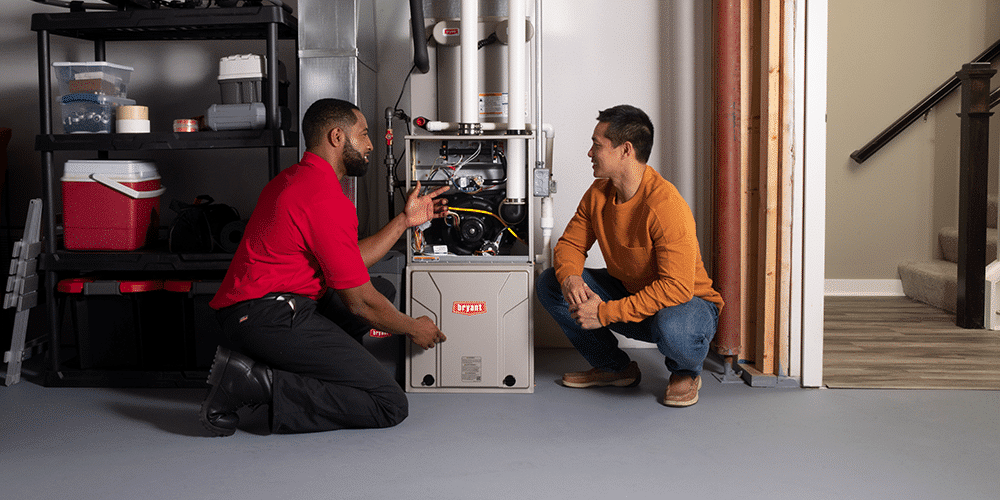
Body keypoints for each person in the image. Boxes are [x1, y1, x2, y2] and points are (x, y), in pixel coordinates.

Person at [199, 98, 449, 436]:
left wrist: (405, 221)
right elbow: (359, 302)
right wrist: (411, 327)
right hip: (268, 317)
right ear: (337, 137)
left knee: (384, 290)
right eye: (363, 135)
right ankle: (254, 382)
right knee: (389, 404)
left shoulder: (293, 180)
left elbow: (348, 262)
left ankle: (314, 372)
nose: (371, 145)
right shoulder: (324, 199)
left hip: (253, 311)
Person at [536, 104, 724, 407]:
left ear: (625, 150)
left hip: (687, 306)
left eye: (597, 145)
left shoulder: (665, 205)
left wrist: (604, 313)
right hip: (634, 297)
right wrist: (570, 278)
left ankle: (685, 372)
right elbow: (570, 244)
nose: (589, 153)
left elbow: (676, 288)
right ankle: (615, 368)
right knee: (550, 283)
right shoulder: (598, 193)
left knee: (673, 324)